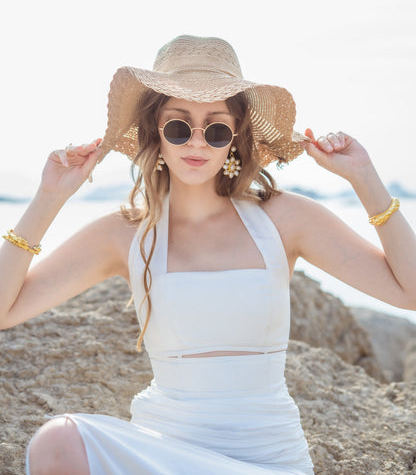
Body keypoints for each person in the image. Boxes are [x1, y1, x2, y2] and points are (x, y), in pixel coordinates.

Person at [1, 35, 415, 475]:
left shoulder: (285, 219)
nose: (196, 143)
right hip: (161, 451)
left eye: (215, 129)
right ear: (155, 133)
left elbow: (409, 292)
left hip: (267, 459)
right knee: (59, 440)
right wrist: (48, 198)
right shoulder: (124, 235)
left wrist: (365, 179)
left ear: (234, 138)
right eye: (179, 126)